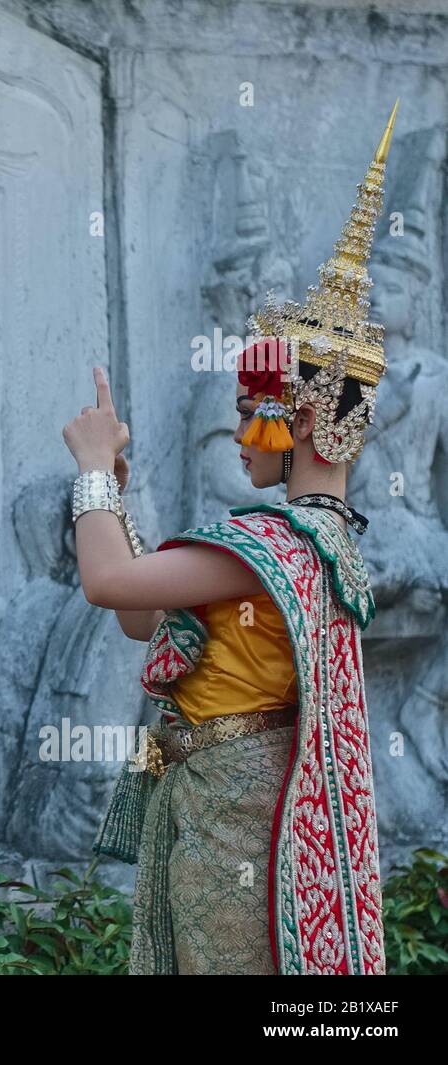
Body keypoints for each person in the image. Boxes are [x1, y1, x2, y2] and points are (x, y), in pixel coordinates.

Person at [60, 105, 398, 976]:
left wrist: (93, 466)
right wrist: (121, 503)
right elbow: (147, 612)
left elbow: (107, 585)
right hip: (228, 802)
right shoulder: (321, 542)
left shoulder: (274, 544)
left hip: (236, 816)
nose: (241, 429)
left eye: (254, 411)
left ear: (304, 419)